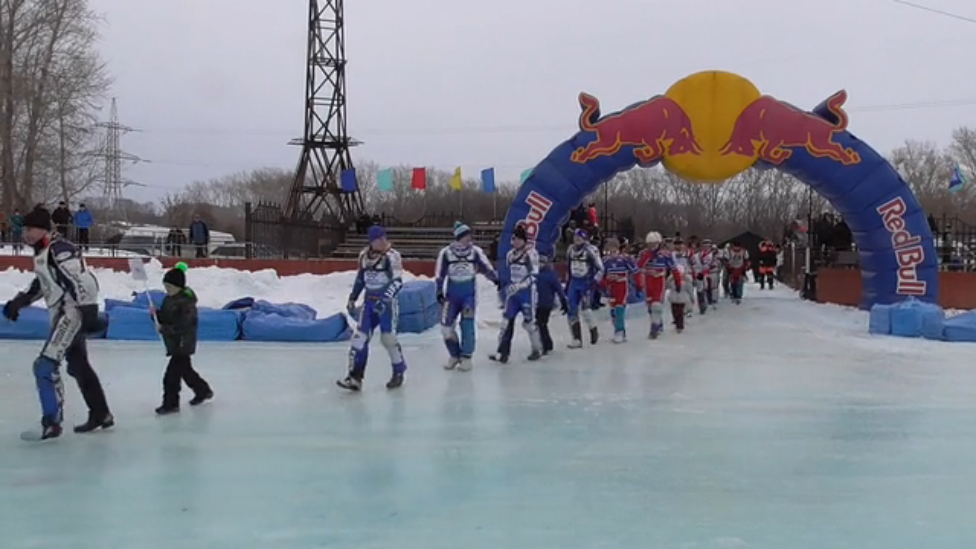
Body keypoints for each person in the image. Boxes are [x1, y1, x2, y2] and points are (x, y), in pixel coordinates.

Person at [2, 207, 113, 441]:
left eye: (29, 230)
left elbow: (82, 280)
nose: (25, 235)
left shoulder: (59, 249)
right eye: (24, 230)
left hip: (71, 314)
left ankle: (51, 423)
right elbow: (45, 282)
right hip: (64, 313)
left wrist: (88, 310)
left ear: (43, 228)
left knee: (44, 365)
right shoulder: (44, 250)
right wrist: (20, 301)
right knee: (78, 366)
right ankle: (101, 413)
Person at [338, 226, 407, 391]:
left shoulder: (393, 256)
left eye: (384, 238)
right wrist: (353, 297)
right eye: (378, 239)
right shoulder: (364, 256)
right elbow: (360, 279)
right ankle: (355, 377)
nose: (383, 242)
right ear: (371, 241)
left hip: (387, 304)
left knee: (388, 338)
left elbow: (397, 282)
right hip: (369, 302)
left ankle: (399, 370)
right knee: (360, 338)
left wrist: (385, 299)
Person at [435, 221, 499, 371]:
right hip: (451, 296)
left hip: (468, 295)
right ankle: (454, 354)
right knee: (446, 327)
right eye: (466, 236)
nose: (470, 238)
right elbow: (439, 274)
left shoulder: (475, 251)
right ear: (459, 237)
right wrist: (438, 291)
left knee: (467, 324)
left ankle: (466, 356)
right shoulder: (446, 253)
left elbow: (486, 267)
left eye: (470, 236)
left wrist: (496, 280)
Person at [153, 263, 214, 414]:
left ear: (179, 287)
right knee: (186, 371)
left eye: (171, 288)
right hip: (175, 342)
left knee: (171, 377)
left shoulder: (187, 303)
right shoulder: (169, 299)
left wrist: (164, 329)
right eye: (166, 287)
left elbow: (184, 325)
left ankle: (171, 403)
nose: (168, 291)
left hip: (183, 343)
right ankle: (203, 390)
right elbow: (167, 317)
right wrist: (156, 315)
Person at [489, 223, 543, 363]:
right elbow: (509, 273)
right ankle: (502, 352)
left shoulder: (531, 254)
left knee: (529, 324)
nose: (515, 242)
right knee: (505, 322)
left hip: (527, 294)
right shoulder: (510, 255)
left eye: (518, 239)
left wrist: (520, 285)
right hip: (513, 295)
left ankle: (536, 349)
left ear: (524, 240)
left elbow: (534, 275)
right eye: (514, 239)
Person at [565, 228, 604, 348]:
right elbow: (568, 266)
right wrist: (568, 282)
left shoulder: (591, 250)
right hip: (574, 282)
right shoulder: (571, 249)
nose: (577, 239)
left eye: (579, 237)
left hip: (586, 282)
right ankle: (577, 339)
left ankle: (593, 329)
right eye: (575, 237)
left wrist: (595, 281)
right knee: (571, 309)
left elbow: (601, 268)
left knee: (586, 309)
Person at [636, 231, 679, 339]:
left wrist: (678, 282)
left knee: (656, 304)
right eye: (650, 244)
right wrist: (639, 283)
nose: (652, 246)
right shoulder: (644, 254)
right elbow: (638, 268)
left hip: (659, 280)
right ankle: (658, 322)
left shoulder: (665, 254)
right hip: (648, 280)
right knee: (650, 306)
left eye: (654, 244)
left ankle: (654, 327)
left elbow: (674, 268)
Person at [601, 237, 638, 343]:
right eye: (609, 249)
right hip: (611, 288)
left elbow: (635, 271)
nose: (611, 252)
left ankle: (619, 331)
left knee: (619, 308)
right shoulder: (605, 261)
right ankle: (620, 331)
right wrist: (605, 282)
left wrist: (636, 283)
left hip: (622, 286)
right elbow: (602, 275)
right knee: (613, 311)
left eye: (613, 249)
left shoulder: (625, 259)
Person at [535, 254, 567, 355]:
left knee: (541, 323)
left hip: (546, 304)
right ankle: (545, 343)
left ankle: (546, 345)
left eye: (542, 263)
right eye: (538, 262)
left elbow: (559, 288)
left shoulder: (550, 275)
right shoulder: (533, 274)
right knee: (538, 324)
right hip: (536, 303)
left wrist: (563, 300)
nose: (540, 265)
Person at [723, 240, 750, 304]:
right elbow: (725, 260)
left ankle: (739, 296)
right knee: (733, 283)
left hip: (740, 268)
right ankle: (734, 294)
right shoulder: (729, 251)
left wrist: (746, 266)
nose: (737, 248)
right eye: (735, 247)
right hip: (732, 268)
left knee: (740, 283)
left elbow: (747, 259)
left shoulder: (744, 251)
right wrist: (728, 267)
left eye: (738, 247)